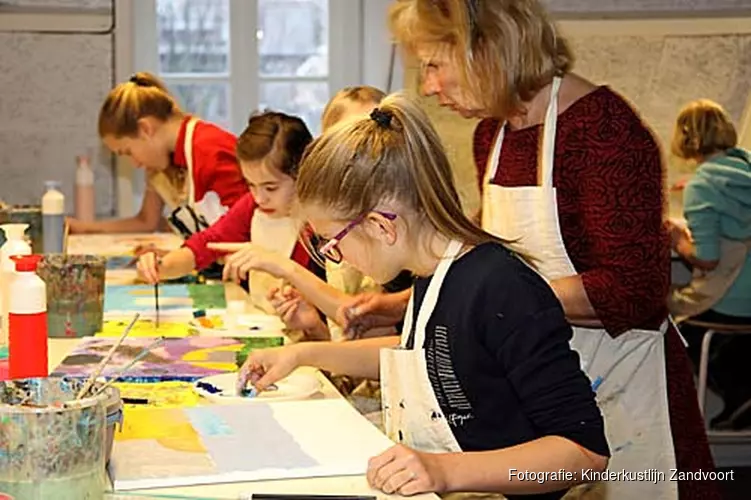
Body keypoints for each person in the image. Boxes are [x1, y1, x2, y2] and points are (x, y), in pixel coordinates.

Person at [331, 1, 720, 498]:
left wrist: (511, 309)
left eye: (434, 64)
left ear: (489, 49)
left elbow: (635, 288)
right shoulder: (491, 135)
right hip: (536, 388)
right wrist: (398, 306)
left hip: (621, 392)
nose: (428, 87)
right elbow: (478, 274)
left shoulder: (604, 131)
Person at [238, 94, 609, 499]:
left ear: (382, 226)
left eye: (332, 242)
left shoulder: (501, 287)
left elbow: (584, 452)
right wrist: (302, 355)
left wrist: (443, 471)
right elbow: (419, 354)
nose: (334, 256)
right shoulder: (430, 274)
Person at [215, 86, 410, 342]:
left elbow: (371, 333)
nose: (259, 197)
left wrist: (285, 268)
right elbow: (349, 342)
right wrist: (313, 326)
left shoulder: (399, 227)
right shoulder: (331, 219)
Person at [137, 111, 325, 323]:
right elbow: (207, 244)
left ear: (302, 173)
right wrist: (161, 266)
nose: (259, 197)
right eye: (250, 185)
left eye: (270, 187)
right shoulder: (252, 206)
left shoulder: (322, 224)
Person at [68, 72, 248, 237]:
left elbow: (241, 230)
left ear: (145, 129)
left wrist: (186, 256)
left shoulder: (209, 151)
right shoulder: (173, 155)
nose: (136, 164)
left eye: (128, 152)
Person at [668, 99, 751, 430]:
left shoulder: (703, 186)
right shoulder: (745, 170)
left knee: (665, 314)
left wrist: (676, 238)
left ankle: (729, 395)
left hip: (727, 300)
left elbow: (707, 257)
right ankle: (740, 390)